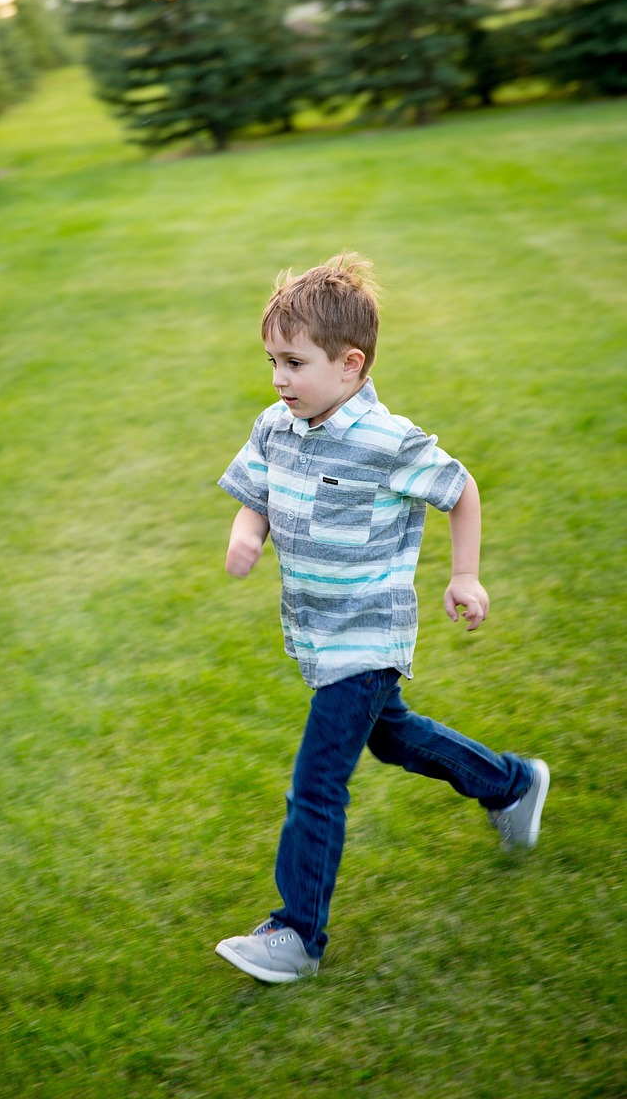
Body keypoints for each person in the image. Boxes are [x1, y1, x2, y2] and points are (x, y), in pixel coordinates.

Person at [214, 254, 549, 985]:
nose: (277, 378)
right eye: (271, 360)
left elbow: (459, 490)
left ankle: (295, 932)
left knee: (316, 783)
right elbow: (256, 490)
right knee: (392, 738)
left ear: (350, 364)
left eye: (293, 363)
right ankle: (511, 784)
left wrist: (464, 575)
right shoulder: (277, 425)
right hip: (316, 626)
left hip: (365, 636)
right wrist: (248, 530)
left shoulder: (386, 442)